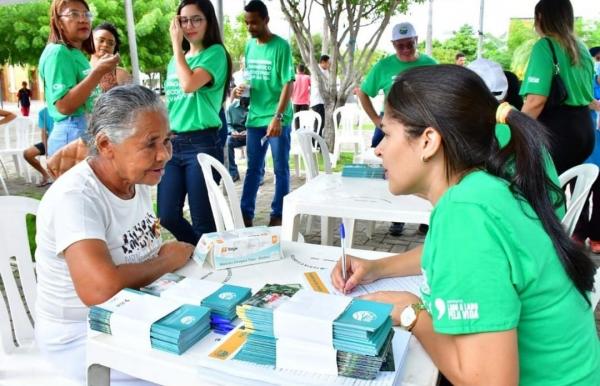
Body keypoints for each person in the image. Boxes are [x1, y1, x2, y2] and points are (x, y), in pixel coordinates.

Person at [332, 65, 599, 385]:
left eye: (387, 134)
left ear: (428, 141)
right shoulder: (482, 190)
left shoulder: (464, 214)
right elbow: (461, 257)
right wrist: (376, 268)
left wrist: (411, 313)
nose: (379, 149)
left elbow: (489, 382)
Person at [34, 85, 195, 385]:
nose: (164, 154)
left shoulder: (136, 179)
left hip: (131, 315)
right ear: (106, 145)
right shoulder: (77, 198)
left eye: (167, 141)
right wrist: (167, 261)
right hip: (82, 337)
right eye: (150, 144)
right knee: (193, 375)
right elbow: (99, 290)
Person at [159, 0, 232, 244]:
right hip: (172, 144)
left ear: (208, 21)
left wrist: (176, 49)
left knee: (204, 220)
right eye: (183, 20)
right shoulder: (176, 61)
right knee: (167, 215)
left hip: (202, 143)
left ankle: (208, 265)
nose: (189, 26)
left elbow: (189, 85)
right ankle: (201, 252)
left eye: (196, 19)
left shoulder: (215, 54)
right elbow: (174, 102)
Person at [358, 21, 436, 236]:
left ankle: (427, 218)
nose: (405, 50)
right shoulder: (383, 66)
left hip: (421, 128)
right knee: (393, 171)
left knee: (426, 170)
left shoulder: (430, 64)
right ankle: (396, 218)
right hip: (390, 129)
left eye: (409, 44)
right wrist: (376, 119)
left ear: (416, 41)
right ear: (393, 44)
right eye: (399, 45)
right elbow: (363, 92)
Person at [234, 0, 294, 227]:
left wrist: (277, 117)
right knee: (253, 168)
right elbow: (251, 78)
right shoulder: (249, 46)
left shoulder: (281, 46)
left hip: (277, 117)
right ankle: (245, 214)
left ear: (266, 20)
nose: (250, 27)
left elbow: (288, 83)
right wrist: (242, 88)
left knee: (280, 168)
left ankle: (278, 214)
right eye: (247, 23)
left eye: (254, 23)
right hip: (255, 117)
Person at [520, 0, 595, 174]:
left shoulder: (545, 46)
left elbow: (535, 101)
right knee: (575, 191)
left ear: (540, 17)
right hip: (585, 129)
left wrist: (516, 131)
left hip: (558, 133)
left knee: (546, 192)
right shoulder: (582, 49)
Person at [39, 0, 119, 156]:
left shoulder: (75, 53)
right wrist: (97, 72)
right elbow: (64, 106)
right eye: (73, 14)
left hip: (84, 128)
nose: (83, 19)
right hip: (71, 131)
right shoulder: (58, 52)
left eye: (86, 14)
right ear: (58, 22)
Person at [573, 46, 600, 253]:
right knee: (580, 194)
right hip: (585, 153)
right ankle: (578, 233)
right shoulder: (582, 86)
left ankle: (597, 235)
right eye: (598, 59)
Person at [91, 22, 132, 92]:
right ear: (90, 42)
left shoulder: (121, 74)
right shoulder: (81, 69)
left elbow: (133, 100)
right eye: (101, 40)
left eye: (111, 43)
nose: (105, 45)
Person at [22, 107, 55, 187]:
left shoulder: (67, 108)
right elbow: (44, 133)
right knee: (27, 153)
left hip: (66, 140)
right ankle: (46, 176)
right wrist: (47, 150)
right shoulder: (43, 112)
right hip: (50, 141)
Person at [226, 98, 248, 182]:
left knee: (256, 142)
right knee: (228, 142)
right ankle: (233, 173)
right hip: (236, 136)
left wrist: (247, 132)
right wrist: (232, 132)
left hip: (251, 134)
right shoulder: (232, 108)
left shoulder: (255, 106)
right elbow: (228, 124)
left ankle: (258, 173)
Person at [310, 54, 330, 137]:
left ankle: (317, 141)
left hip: (322, 101)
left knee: (321, 123)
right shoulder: (318, 71)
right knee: (319, 122)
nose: (329, 65)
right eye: (328, 63)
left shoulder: (326, 71)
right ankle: (316, 141)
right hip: (317, 100)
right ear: (323, 62)